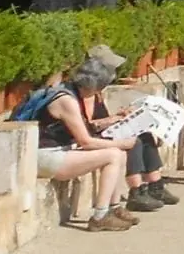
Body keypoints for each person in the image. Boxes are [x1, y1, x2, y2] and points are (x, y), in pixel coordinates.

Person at [32, 55, 143, 232]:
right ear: (95, 86)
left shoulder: (71, 92)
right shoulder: (66, 100)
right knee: (114, 154)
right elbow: (85, 141)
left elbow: (85, 129)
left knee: (119, 154)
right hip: (47, 156)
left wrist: (113, 123)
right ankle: (100, 216)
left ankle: (114, 208)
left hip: (61, 151)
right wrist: (122, 143)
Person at [83, 44, 177, 212]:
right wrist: (112, 119)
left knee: (145, 134)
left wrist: (119, 116)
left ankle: (155, 184)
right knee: (132, 141)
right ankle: (136, 190)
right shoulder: (84, 92)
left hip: (102, 131)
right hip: (90, 136)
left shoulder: (97, 92)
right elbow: (88, 123)